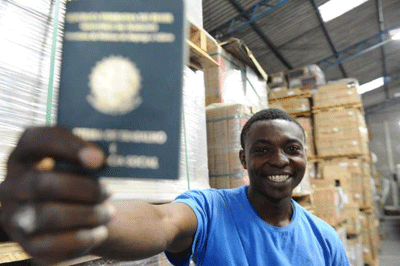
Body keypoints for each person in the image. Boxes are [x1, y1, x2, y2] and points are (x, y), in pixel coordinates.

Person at [0, 108, 350, 265]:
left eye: (292, 149)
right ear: (243, 160)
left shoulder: (325, 240)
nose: (279, 160)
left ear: (306, 157)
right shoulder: (212, 210)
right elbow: (162, 222)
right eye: (261, 150)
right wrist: (92, 219)